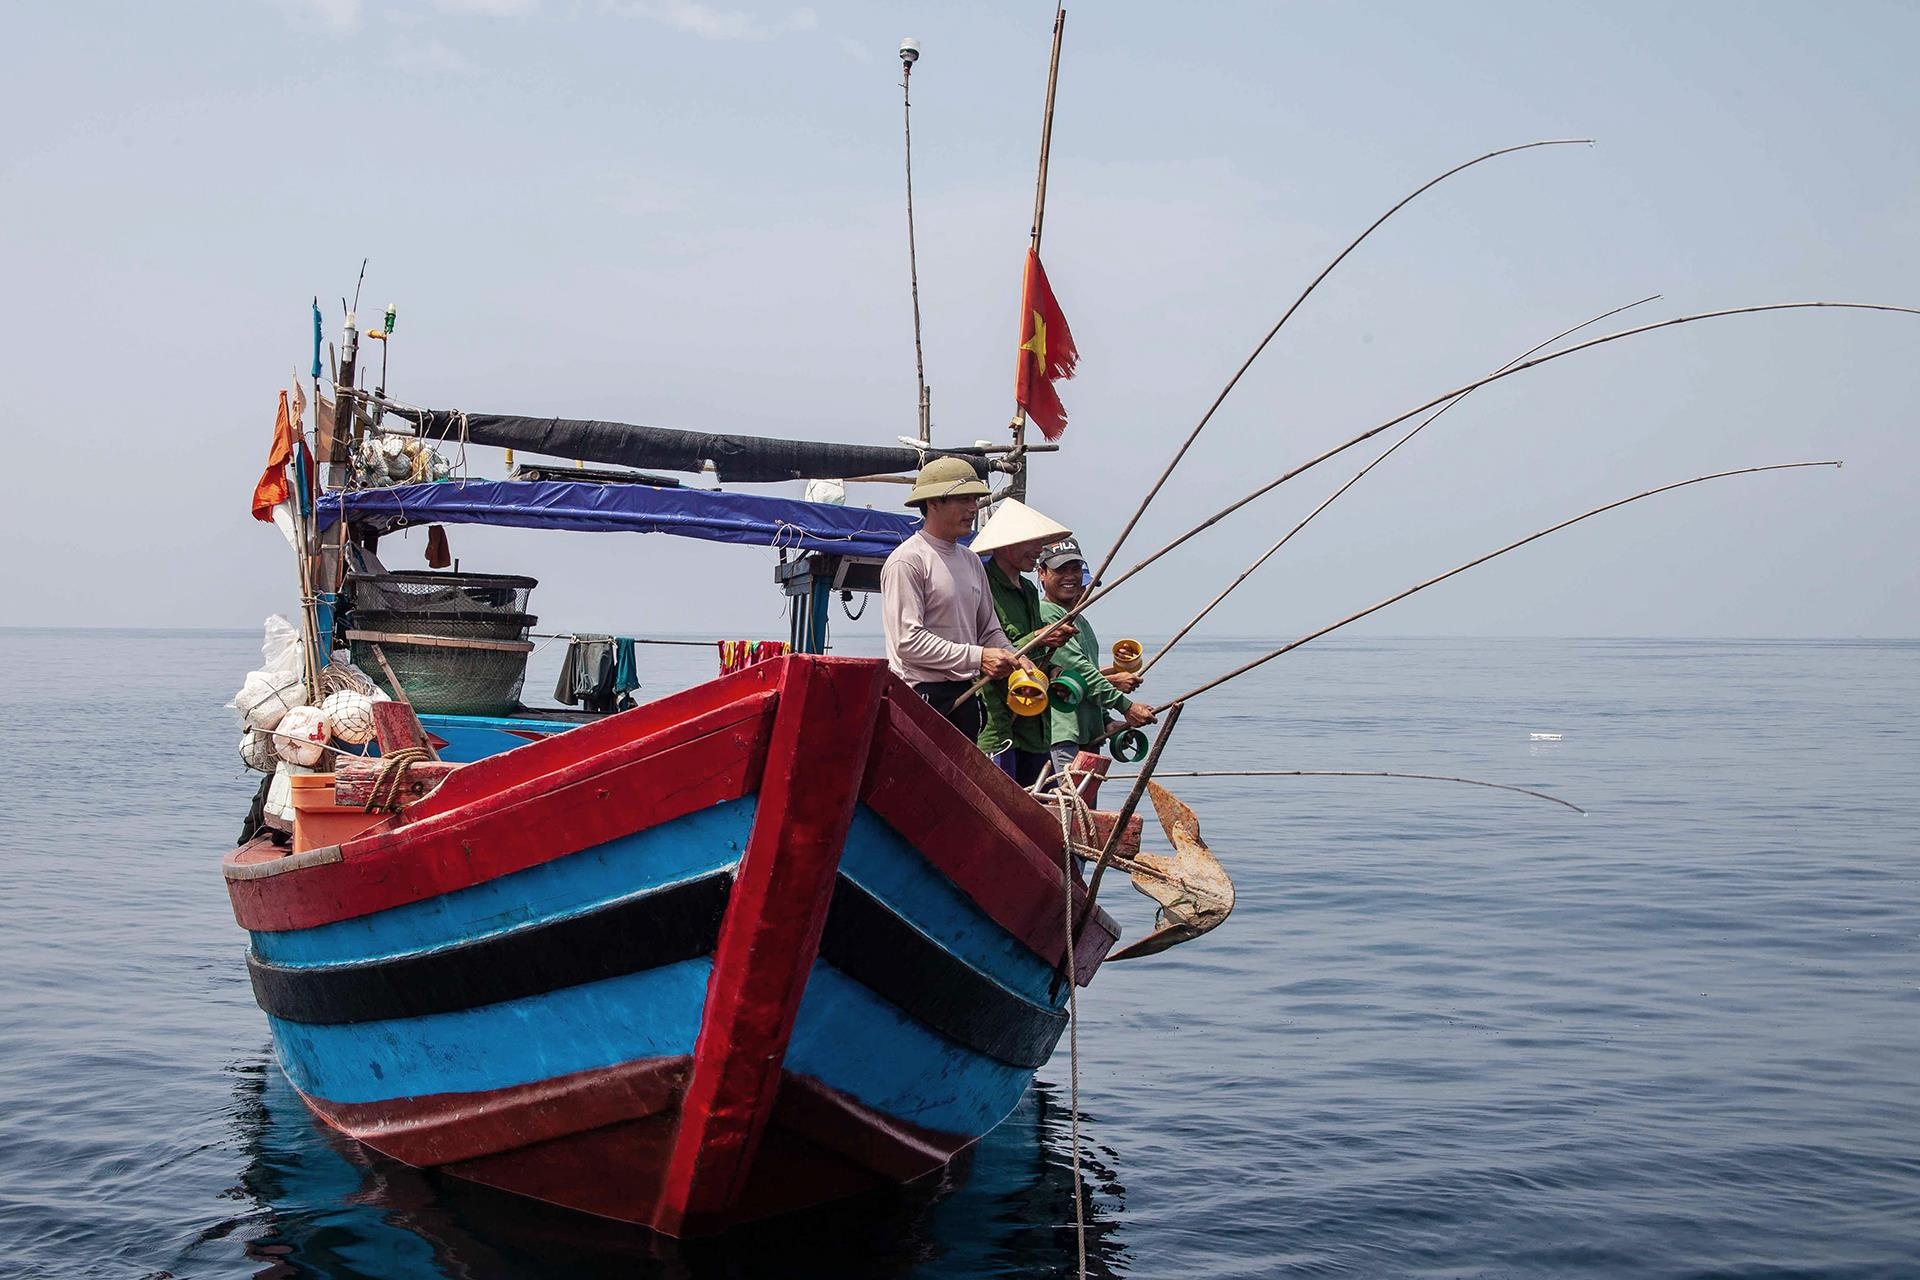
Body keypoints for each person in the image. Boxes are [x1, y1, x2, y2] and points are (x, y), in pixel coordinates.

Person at [880, 457, 1035, 740]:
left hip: (965, 693)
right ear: (934, 503)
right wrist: (978, 657)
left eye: (975, 499)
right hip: (920, 695)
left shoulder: (971, 561)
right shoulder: (908, 561)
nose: (973, 508)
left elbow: (989, 629)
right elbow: (908, 642)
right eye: (963, 499)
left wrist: (1016, 657)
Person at [970, 500, 1079, 787]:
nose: (1038, 551)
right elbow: (990, 647)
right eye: (1032, 543)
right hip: (998, 720)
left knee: (1041, 805)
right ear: (1007, 545)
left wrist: (1053, 672)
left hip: (1034, 721)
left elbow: (1034, 653)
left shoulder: (1029, 589)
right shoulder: (982, 585)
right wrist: (1040, 636)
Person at [1035, 536, 1156, 784]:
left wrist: (1107, 722)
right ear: (1042, 574)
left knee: (1085, 814)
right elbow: (1078, 673)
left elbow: (1086, 672)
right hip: (1064, 735)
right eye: (1061, 569)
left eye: (1075, 568)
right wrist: (1126, 705)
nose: (1070, 576)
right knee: (1071, 811)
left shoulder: (1079, 621)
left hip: (1088, 735)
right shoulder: (1049, 615)